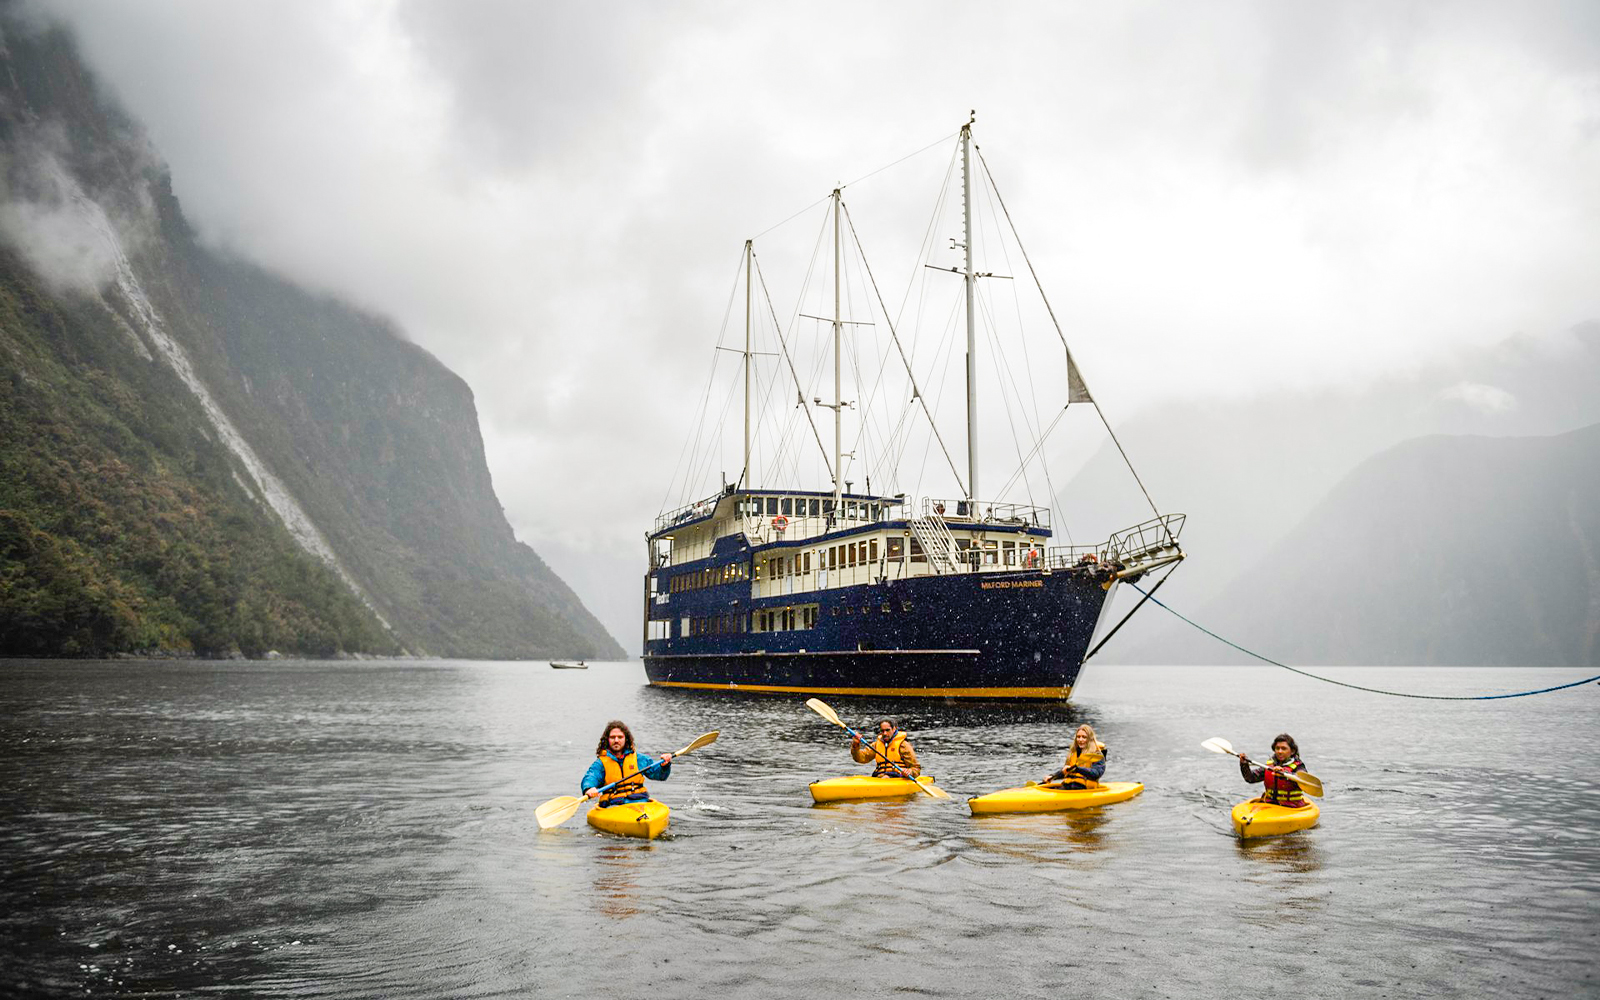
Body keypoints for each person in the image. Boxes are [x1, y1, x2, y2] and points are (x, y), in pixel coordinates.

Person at [581, 720, 673, 807]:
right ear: (607, 740)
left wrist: (664, 766)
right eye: (613, 737)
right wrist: (589, 788)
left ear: (626, 739)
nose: (616, 740)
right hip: (613, 805)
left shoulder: (638, 759)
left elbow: (659, 775)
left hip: (640, 802)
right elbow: (591, 776)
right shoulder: (601, 763)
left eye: (620, 737)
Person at [1240, 732, 1308, 808]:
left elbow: (1304, 781)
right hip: (1270, 805)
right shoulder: (1269, 766)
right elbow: (1250, 778)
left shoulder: (1299, 766)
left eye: (1284, 748)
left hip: (1292, 806)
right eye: (1277, 748)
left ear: (1292, 751)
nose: (1280, 751)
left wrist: (1284, 774)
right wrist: (1244, 765)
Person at [851, 718, 920, 778]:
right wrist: (855, 745)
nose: (885, 733)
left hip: (898, 777)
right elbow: (861, 758)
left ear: (894, 729)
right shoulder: (876, 745)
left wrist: (909, 772)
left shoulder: (903, 745)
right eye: (882, 731)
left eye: (887, 730)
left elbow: (916, 768)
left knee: (886, 777)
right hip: (880, 776)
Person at [1044, 723, 1106, 789]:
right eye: (1078, 737)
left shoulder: (1097, 754)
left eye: (1084, 737)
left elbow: (1096, 773)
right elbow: (1067, 771)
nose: (1080, 740)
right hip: (1068, 786)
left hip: (1084, 789)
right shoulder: (1073, 753)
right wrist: (1053, 777)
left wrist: (1077, 769)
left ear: (1090, 739)